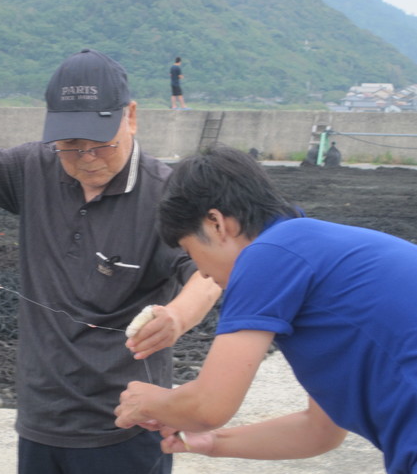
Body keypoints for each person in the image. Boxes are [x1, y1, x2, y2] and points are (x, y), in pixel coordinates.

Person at [0, 47, 221, 474]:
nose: (87, 160)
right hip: (39, 422)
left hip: (128, 427)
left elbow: (209, 273)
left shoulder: (168, 194)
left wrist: (178, 317)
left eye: (100, 145)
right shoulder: (34, 167)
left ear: (131, 117)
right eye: (71, 146)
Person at [114, 146, 417, 474]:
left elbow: (208, 406)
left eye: (190, 250)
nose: (200, 273)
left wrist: (149, 401)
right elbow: (319, 431)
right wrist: (212, 443)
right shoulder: (311, 250)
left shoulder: (268, 255)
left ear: (216, 223)